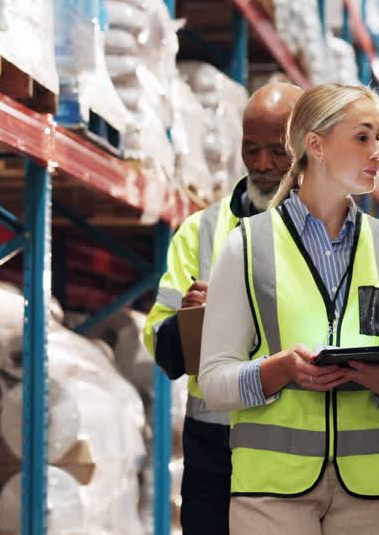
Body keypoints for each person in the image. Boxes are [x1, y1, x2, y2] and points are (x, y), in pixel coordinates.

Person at [198, 84, 379, 535]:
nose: (377, 152)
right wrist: (279, 370)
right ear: (316, 145)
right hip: (271, 488)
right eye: (362, 137)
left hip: (374, 488)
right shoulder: (247, 246)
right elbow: (213, 382)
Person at [142, 81, 302, 535]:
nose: (262, 164)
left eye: (278, 151)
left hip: (302, 447)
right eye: (251, 149)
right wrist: (189, 321)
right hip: (216, 451)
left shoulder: (332, 233)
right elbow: (164, 350)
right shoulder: (201, 231)